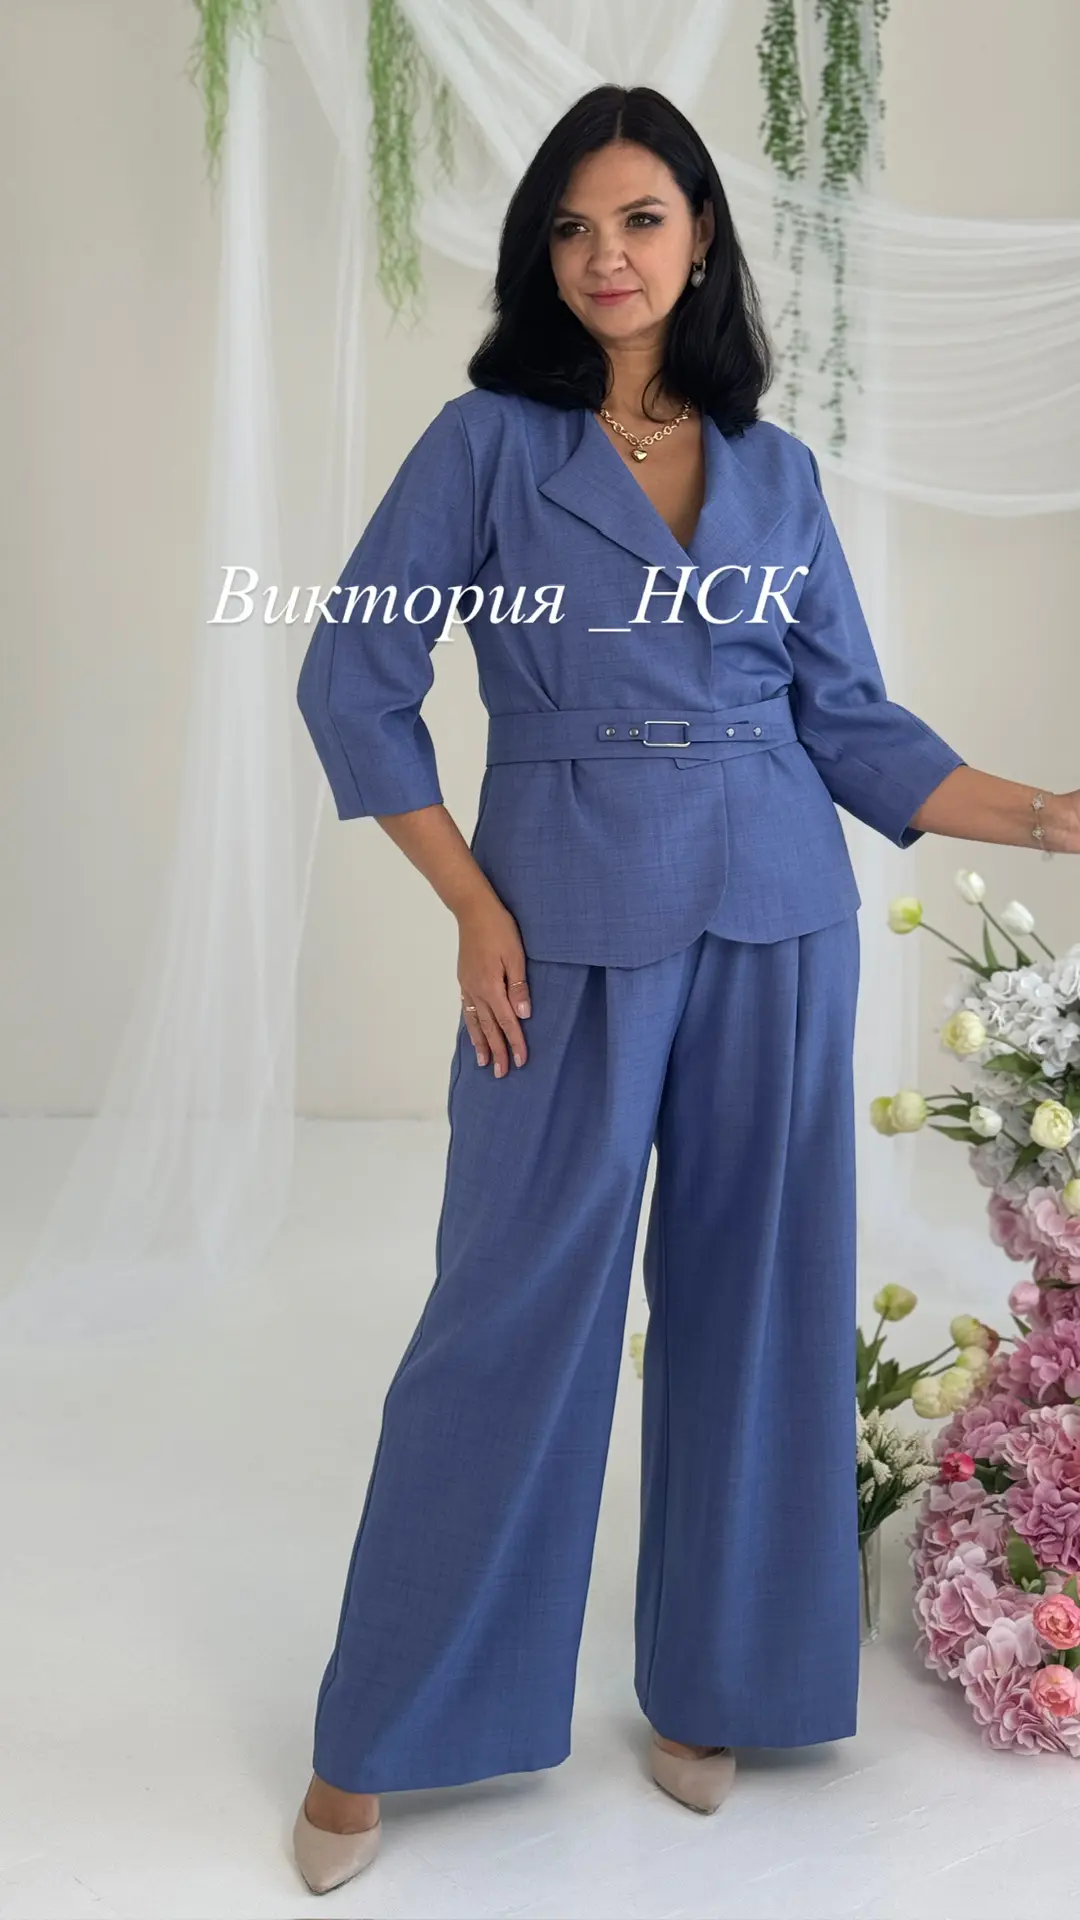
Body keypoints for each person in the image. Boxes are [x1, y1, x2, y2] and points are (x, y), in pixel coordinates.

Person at [289, 83, 1080, 1895]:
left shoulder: (775, 473)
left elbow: (854, 726)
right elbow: (354, 679)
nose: (607, 256)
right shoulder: (487, 445)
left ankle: (718, 1682)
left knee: (762, 1302)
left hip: (779, 913)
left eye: (640, 220)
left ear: (701, 237)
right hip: (559, 918)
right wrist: (468, 901)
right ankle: (385, 1731)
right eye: (572, 228)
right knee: (510, 1309)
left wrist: (1050, 814)